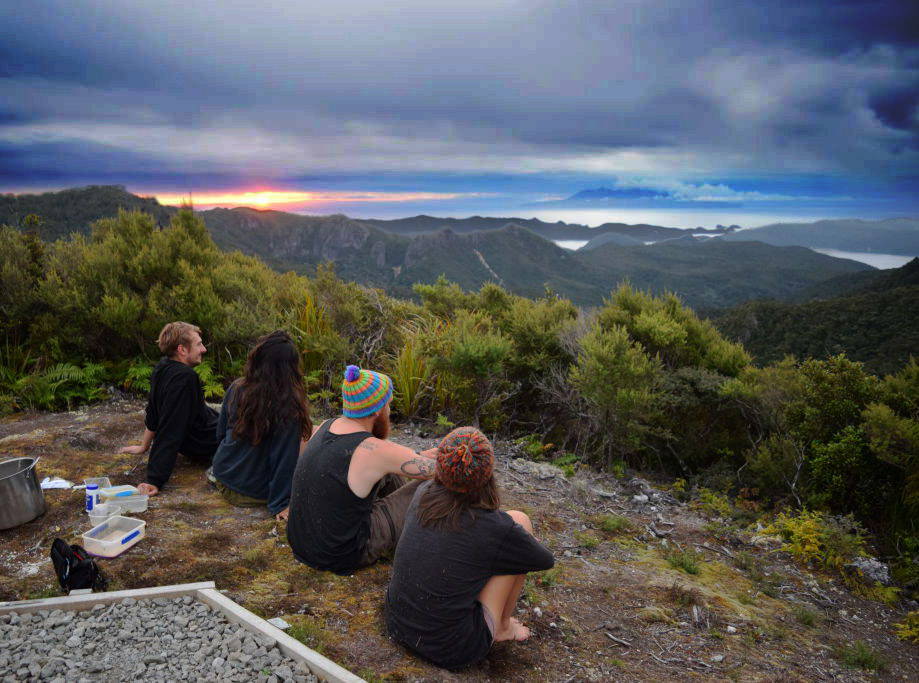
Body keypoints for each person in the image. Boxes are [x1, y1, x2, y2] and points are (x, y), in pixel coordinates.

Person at [385, 427, 554, 670]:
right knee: (520, 524)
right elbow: (544, 560)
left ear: (441, 466)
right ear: (487, 472)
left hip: (398, 622)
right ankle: (504, 627)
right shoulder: (495, 527)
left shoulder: (424, 492)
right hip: (452, 648)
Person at [286, 364, 437, 574]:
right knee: (432, 483)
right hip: (344, 555)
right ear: (376, 410)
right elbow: (437, 471)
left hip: (304, 546)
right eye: (388, 405)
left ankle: (402, 534)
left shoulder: (327, 426)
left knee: (393, 469)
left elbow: (392, 457)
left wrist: (418, 457)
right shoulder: (372, 450)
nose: (389, 411)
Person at [208, 330, 312, 522]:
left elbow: (220, 432)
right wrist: (280, 504)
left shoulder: (238, 387)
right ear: (291, 368)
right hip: (251, 492)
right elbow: (284, 459)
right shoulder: (287, 406)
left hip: (222, 476)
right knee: (312, 438)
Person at [120, 322, 219, 496]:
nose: (203, 349)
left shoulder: (163, 366)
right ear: (182, 349)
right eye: (198, 344)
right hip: (207, 441)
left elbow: (154, 410)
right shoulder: (185, 378)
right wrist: (154, 479)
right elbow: (171, 428)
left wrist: (144, 445)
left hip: (205, 425)